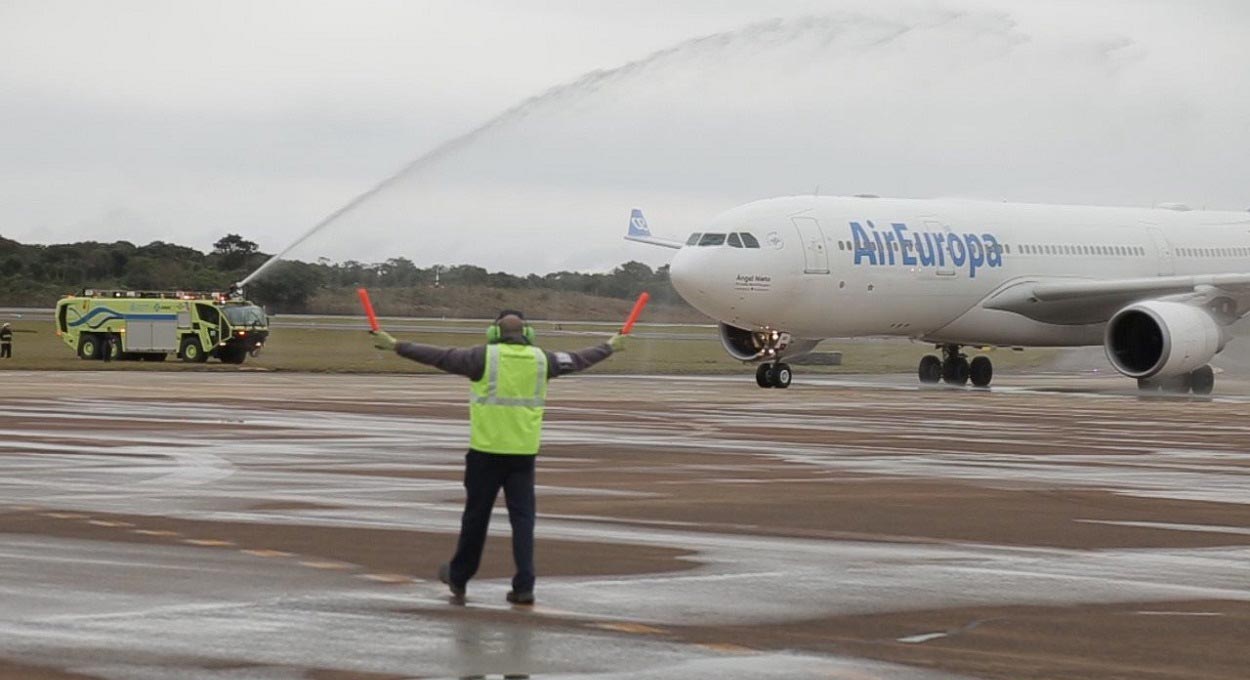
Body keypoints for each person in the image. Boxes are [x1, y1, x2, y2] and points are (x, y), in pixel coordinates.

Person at [371, 310, 625, 605]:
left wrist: (395, 345)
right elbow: (580, 358)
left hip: (485, 453)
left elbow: (437, 356)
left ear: (494, 333)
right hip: (523, 454)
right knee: (523, 521)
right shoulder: (543, 360)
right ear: (528, 334)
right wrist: (609, 346)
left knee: (476, 518)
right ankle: (524, 585)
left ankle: (460, 575)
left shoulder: (482, 358)